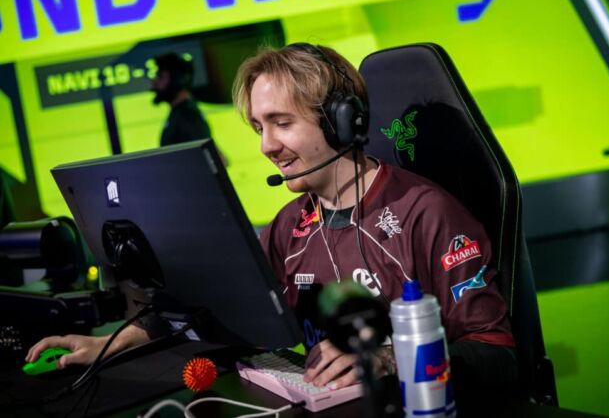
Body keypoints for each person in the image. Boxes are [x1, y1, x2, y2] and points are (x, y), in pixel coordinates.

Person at [26, 44, 516, 397]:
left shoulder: (426, 213)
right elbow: (216, 311)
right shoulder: (287, 228)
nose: (266, 146)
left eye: (282, 123)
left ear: (340, 121)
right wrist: (109, 344)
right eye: (259, 127)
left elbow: (498, 354)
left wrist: (390, 359)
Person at [151, 52, 212, 146]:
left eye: (160, 76)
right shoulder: (179, 114)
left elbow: (203, 152)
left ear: (177, 80)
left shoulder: (188, 117)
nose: (154, 82)